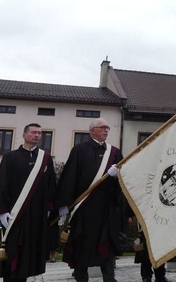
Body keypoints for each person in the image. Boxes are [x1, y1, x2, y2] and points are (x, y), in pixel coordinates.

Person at [0, 123, 56, 282]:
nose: (37, 135)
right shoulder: (10, 157)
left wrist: (49, 207)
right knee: (12, 250)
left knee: (30, 252)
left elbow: (51, 185)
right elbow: (2, 183)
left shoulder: (45, 158)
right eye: (33, 132)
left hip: (36, 214)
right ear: (24, 135)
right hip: (14, 214)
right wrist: (2, 210)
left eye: (39, 133)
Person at [56, 117, 124, 282]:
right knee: (82, 244)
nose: (106, 130)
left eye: (108, 128)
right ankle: (81, 277)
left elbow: (124, 181)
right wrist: (64, 203)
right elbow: (70, 176)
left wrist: (117, 176)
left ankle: (109, 278)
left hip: (106, 209)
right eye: (103, 128)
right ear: (92, 130)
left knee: (106, 245)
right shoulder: (80, 150)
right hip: (84, 208)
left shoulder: (114, 152)